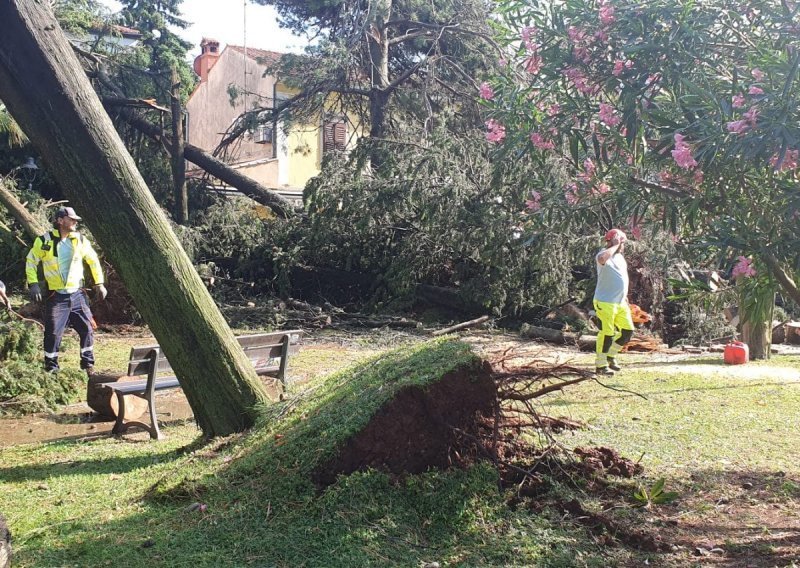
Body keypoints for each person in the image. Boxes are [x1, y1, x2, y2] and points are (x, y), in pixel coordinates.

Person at [25, 207, 107, 373]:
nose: (75, 222)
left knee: (87, 329)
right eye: (72, 219)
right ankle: (51, 368)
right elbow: (31, 261)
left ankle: (88, 365)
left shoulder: (80, 240)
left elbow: (93, 261)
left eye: (76, 219)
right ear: (60, 220)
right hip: (56, 296)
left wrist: (99, 283)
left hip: (78, 294)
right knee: (53, 333)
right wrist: (33, 283)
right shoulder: (44, 241)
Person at [593, 228, 635, 376]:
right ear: (613, 241)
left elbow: (622, 278)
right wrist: (615, 245)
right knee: (607, 333)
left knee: (627, 331)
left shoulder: (620, 258)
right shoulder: (603, 255)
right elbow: (602, 260)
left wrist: (626, 298)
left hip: (620, 302)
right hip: (605, 302)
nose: (622, 246)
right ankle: (601, 365)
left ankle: (610, 355)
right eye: (621, 242)